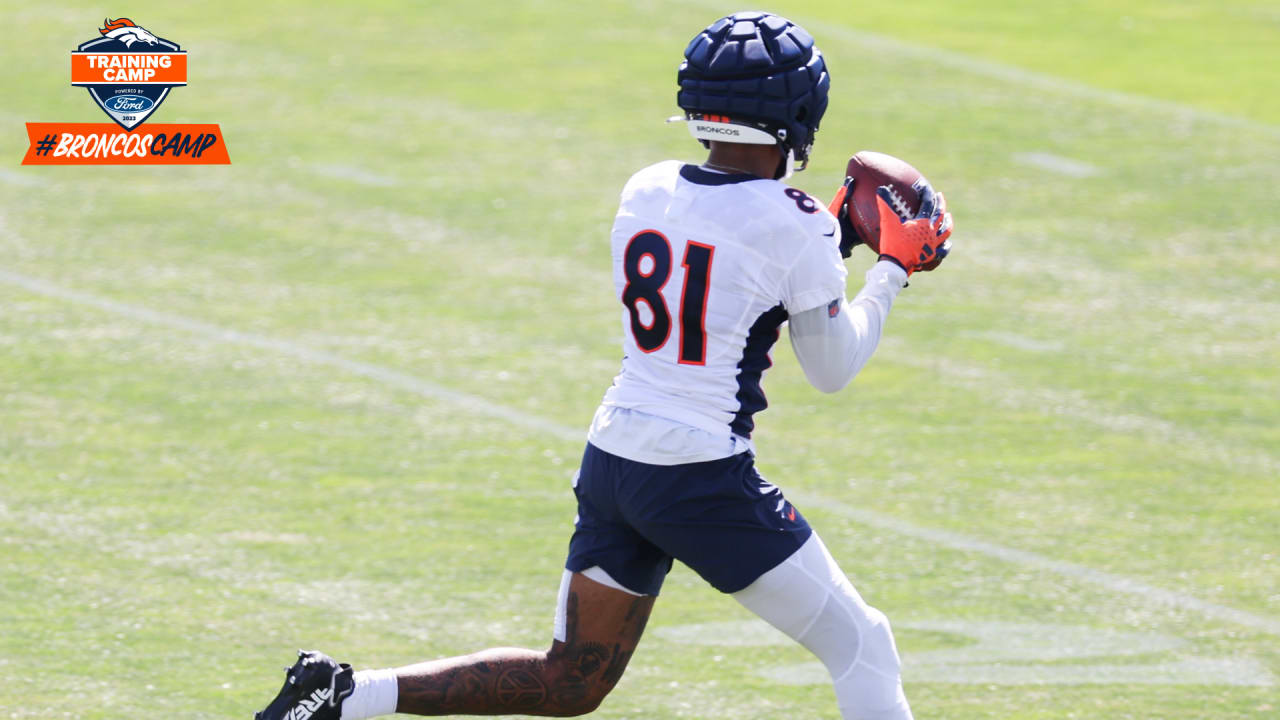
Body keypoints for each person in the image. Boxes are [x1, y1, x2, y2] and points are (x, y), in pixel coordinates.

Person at [254, 11, 951, 720]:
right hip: (698, 476)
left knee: (570, 681)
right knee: (864, 646)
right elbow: (830, 365)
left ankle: (344, 696)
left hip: (617, 458)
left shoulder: (647, 188)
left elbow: (734, 283)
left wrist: (831, 252)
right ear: (800, 112)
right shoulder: (798, 223)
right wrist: (892, 267)